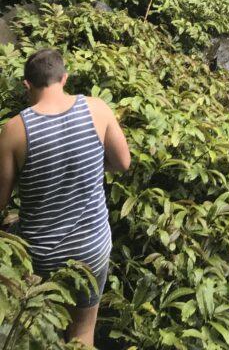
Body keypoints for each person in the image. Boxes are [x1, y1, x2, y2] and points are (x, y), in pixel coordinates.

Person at [0, 48, 131, 346]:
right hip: (92, 248)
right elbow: (123, 163)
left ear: (27, 85)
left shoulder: (14, 130)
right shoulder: (97, 109)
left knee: (37, 327)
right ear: (64, 78)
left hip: (41, 255)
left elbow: (0, 201)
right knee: (82, 333)